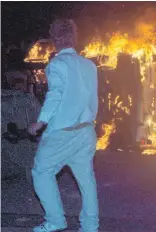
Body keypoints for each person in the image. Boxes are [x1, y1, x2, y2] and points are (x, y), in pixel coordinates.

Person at [28, 19, 99, 232]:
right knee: (87, 181)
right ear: (74, 38)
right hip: (86, 131)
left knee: (41, 172)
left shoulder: (57, 65)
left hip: (62, 133)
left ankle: (56, 220)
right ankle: (90, 226)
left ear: (55, 39)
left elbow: (56, 94)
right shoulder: (89, 65)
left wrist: (40, 122)